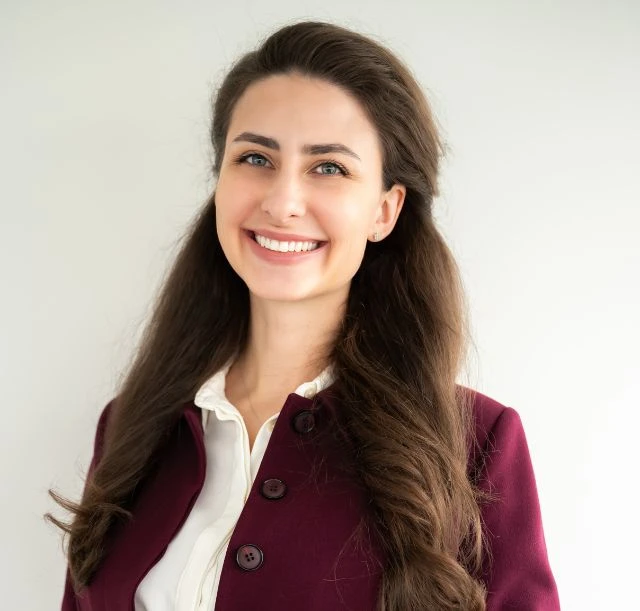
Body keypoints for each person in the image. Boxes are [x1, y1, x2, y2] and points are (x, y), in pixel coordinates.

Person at [48, 20, 560, 611]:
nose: (282, 202)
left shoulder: (475, 445)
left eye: (329, 167)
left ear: (385, 211)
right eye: (255, 158)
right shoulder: (132, 426)